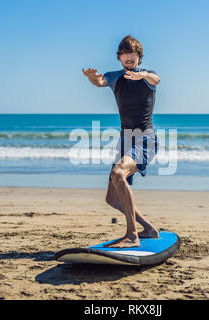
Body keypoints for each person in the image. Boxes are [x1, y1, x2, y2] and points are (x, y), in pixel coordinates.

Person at [82, 35, 160, 248]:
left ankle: (132, 235)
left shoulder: (148, 76)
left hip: (144, 139)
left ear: (138, 57)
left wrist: (142, 75)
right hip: (125, 141)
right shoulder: (115, 77)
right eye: (125, 53)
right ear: (120, 57)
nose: (129, 56)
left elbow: (156, 80)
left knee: (118, 174)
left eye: (133, 53)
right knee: (112, 198)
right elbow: (100, 81)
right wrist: (91, 78)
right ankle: (149, 229)